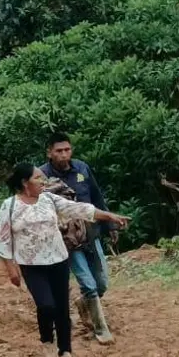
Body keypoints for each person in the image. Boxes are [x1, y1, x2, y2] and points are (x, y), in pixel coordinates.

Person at [0, 163, 129, 357]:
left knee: (62, 308)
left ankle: (65, 352)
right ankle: (47, 339)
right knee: (46, 305)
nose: (43, 181)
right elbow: (3, 239)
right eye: (38, 178)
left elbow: (80, 209)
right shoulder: (10, 206)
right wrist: (11, 269)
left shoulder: (49, 199)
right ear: (25, 182)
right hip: (31, 264)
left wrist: (109, 216)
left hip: (58, 260)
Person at [40, 133, 117, 345]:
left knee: (102, 283)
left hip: (91, 233)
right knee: (88, 284)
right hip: (67, 240)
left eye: (67, 149)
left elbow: (96, 196)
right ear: (49, 152)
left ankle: (84, 304)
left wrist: (109, 225)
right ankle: (101, 329)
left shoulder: (82, 168)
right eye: (59, 151)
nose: (64, 154)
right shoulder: (42, 176)